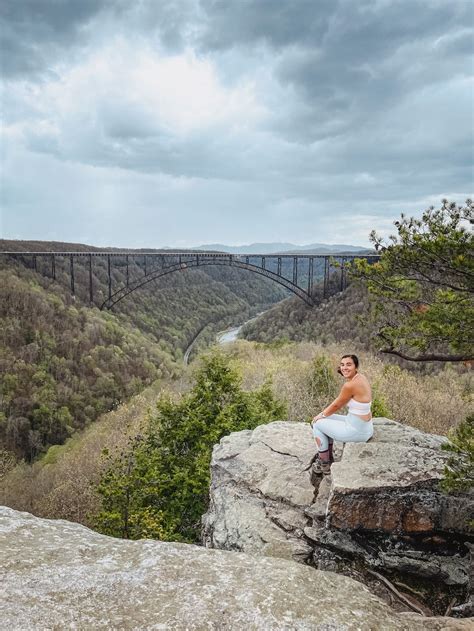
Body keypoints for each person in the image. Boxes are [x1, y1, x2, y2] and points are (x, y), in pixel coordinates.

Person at [311, 354, 373, 475]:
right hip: (364, 427)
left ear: (356, 366)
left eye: (349, 364)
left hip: (356, 432)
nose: (345, 367)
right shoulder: (361, 378)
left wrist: (320, 416)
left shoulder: (349, 385)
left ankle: (324, 463)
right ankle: (328, 456)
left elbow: (336, 405)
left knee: (317, 424)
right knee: (325, 418)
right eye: (342, 364)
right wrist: (323, 415)